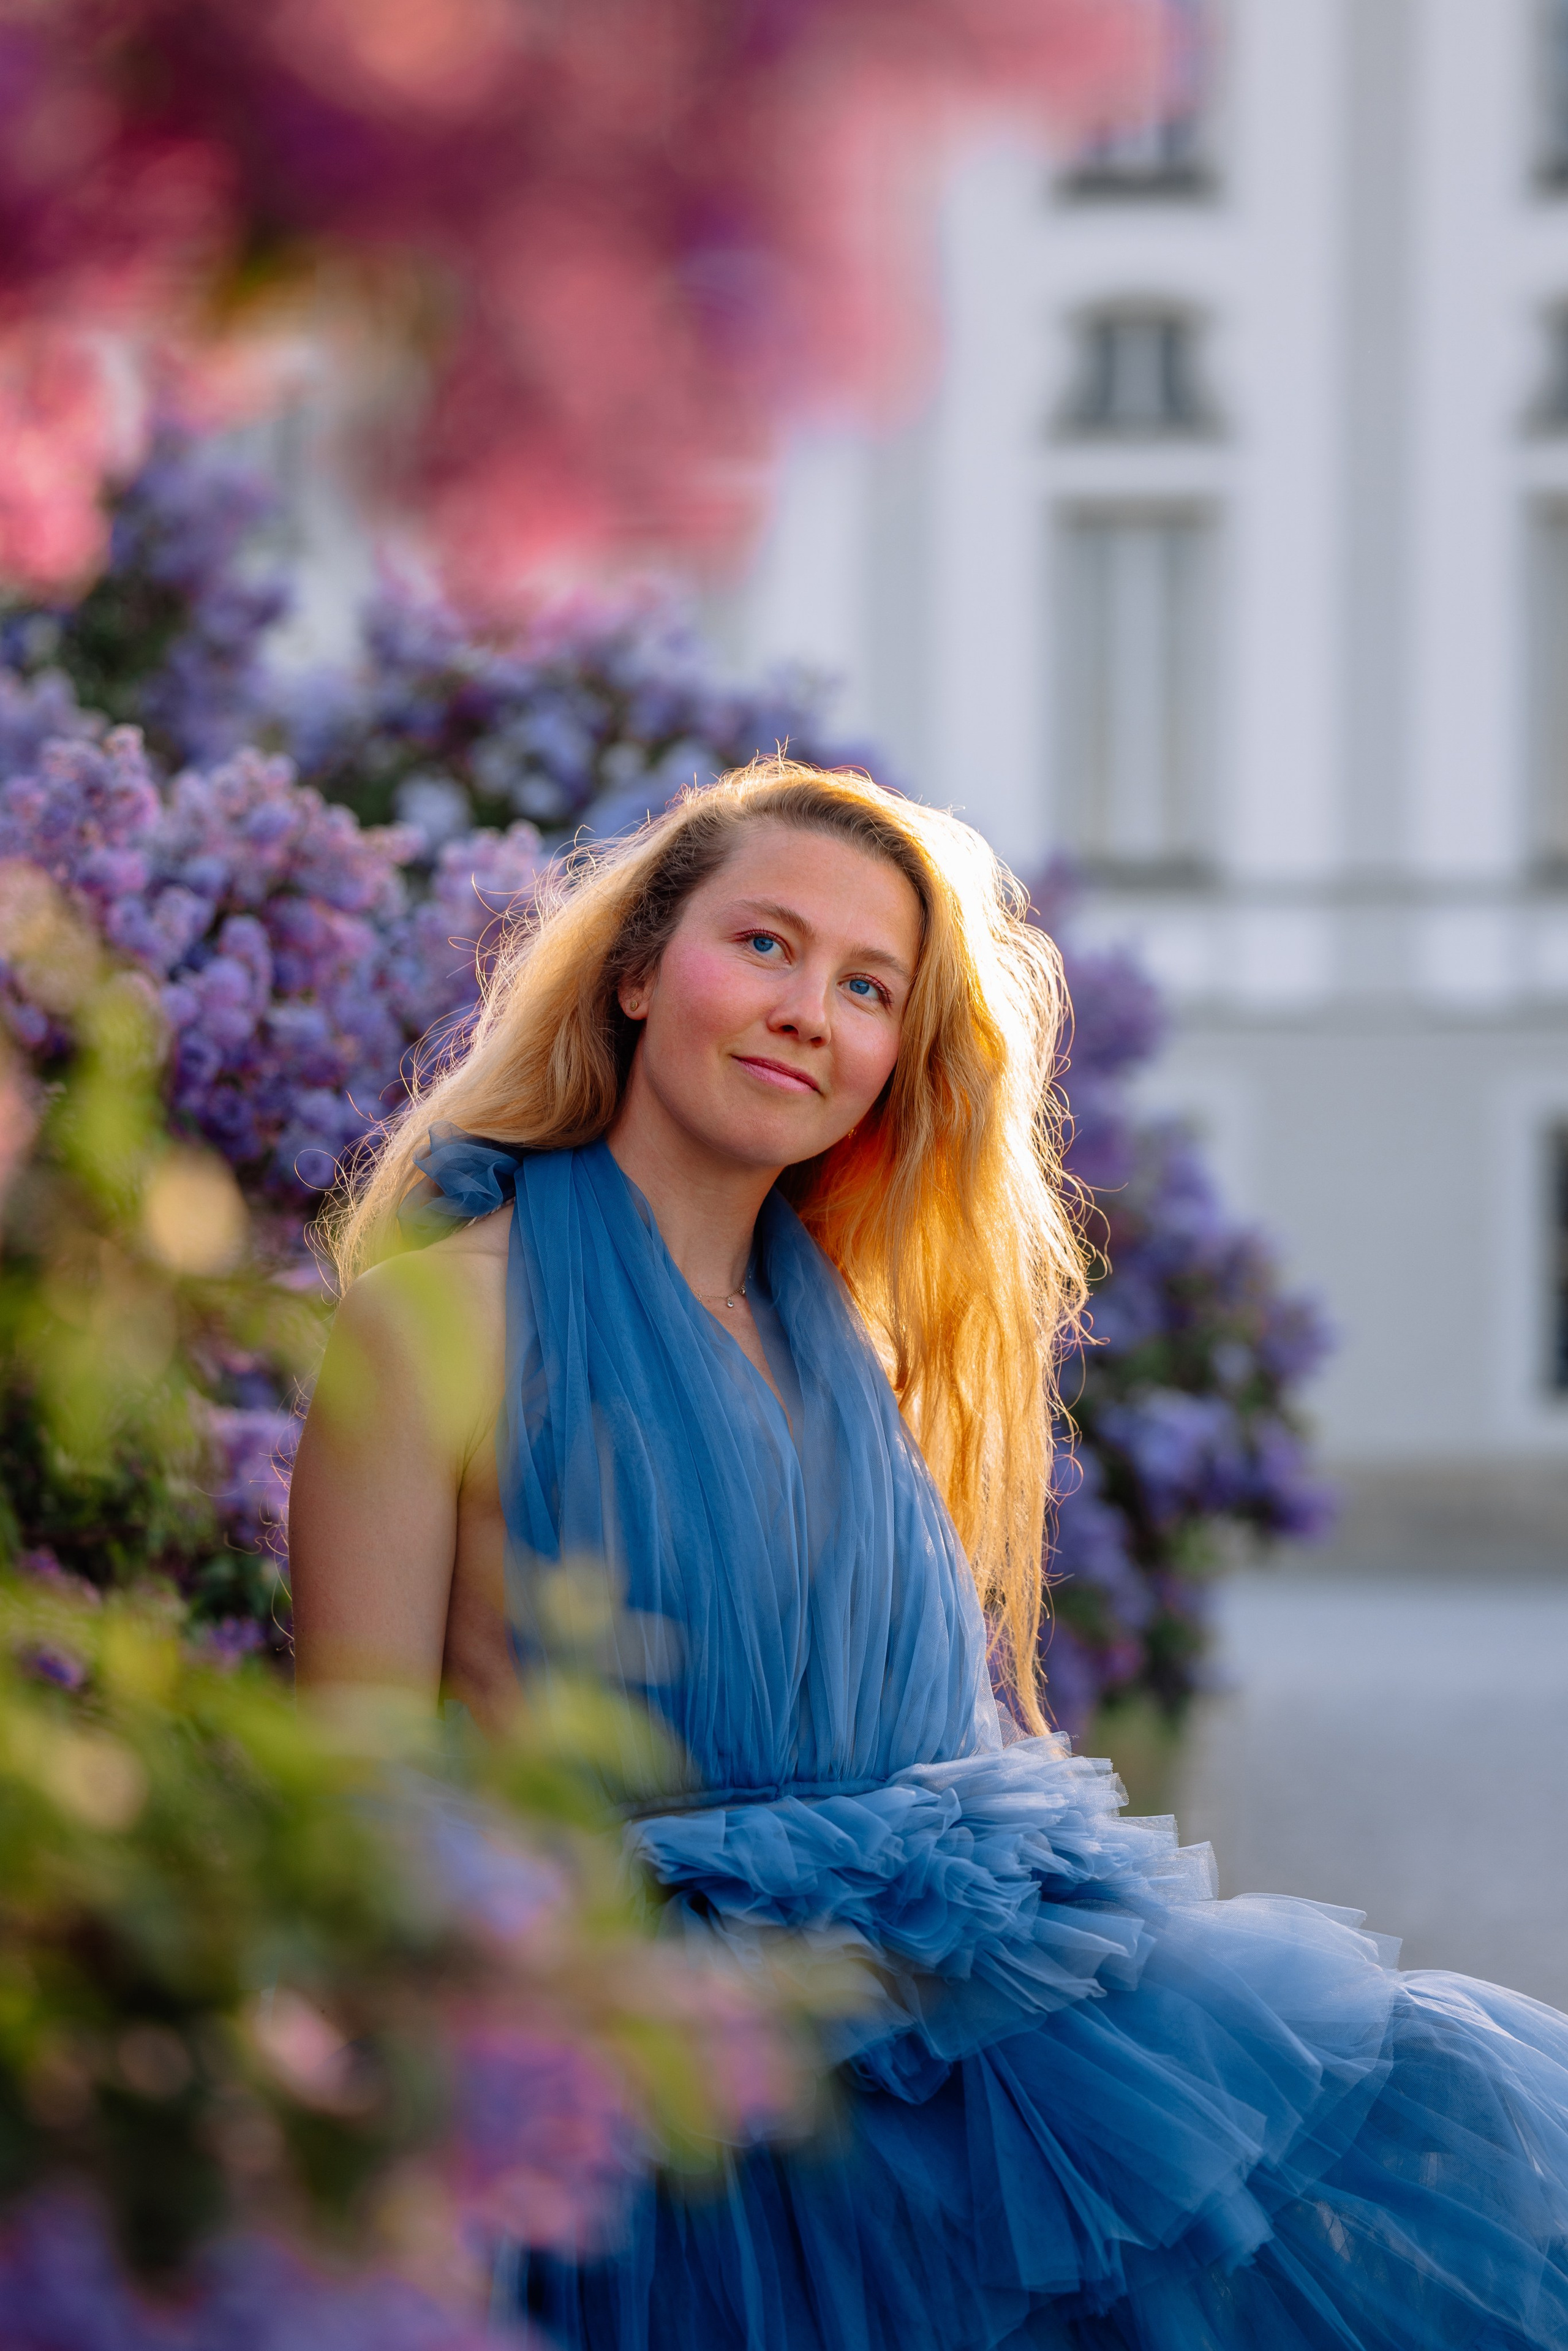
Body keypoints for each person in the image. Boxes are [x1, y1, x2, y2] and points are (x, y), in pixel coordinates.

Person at [290, 760, 1568, 2350]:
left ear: (897, 1055)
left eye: (867, 984)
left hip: (968, 2074)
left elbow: (938, 1741)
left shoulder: (854, 1349)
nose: (808, 1010)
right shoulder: (439, 1317)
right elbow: (352, 1798)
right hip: (654, 2111)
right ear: (632, 973)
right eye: (763, 944)